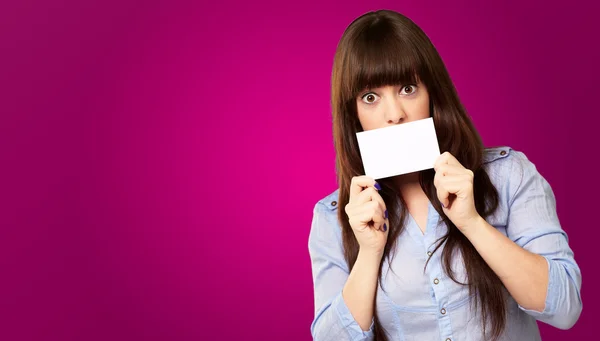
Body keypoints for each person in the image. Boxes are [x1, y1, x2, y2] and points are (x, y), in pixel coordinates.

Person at [307, 9, 582, 341]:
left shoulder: (509, 176)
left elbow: (565, 309)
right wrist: (368, 252)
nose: (394, 114)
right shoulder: (333, 217)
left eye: (408, 89)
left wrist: (472, 223)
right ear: (354, 116)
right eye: (370, 97)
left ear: (432, 94)